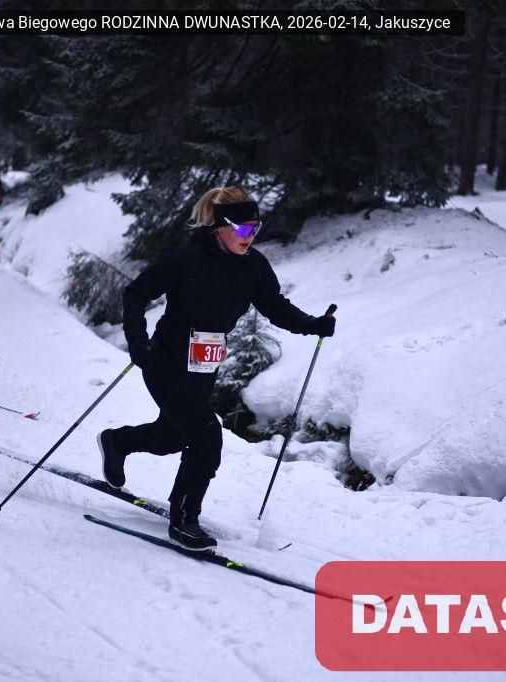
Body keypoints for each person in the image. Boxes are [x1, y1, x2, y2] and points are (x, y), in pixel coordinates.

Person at [95, 187, 336, 550]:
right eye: (242, 229)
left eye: (255, 228)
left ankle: (117, 442)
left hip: (203, 368)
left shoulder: (253, 266)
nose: (250, 236)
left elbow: (275, 306)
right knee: (207, 437)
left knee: (172, 437)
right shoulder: (185, 259)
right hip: (165, 362)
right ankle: (184, 520)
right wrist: (138, 342)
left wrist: (313, 324)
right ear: (221, 226)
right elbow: (135, 294)